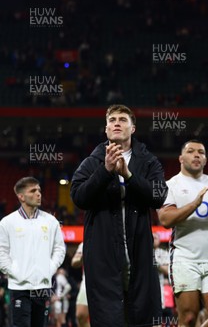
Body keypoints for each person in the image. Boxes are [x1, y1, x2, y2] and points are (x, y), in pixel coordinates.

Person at [71, 104, 167, 326]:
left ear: (133, 128)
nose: (117, 123)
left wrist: (129, 175)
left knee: (141, 316)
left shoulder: (149, 161)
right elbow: (78, 197)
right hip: (102, 253)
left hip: (139, 254)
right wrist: (105, 171)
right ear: (106, 130)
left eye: (123, 119)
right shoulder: (92, 161)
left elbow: (159, 197)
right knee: (108, 319)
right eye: (112, 119)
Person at [158, 140, 208, 327]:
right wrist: (195, 203)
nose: (196, 155)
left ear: (205, 159)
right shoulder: (170, 185)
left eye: (201, 152)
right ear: (180, 158)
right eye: (191, 151)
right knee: (188, 319)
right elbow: (165, 220)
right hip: (184, 259)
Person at [0, 177, 66, 327]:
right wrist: (15, 272)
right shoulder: (7, 222)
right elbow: (1, 252)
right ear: (21, 196)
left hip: (42, 289)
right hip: (19, 288)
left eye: (39, 190)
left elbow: (59, 249)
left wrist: (49, 268)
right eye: (33, 191)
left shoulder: (51, 221)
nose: (39, 194)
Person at [71, 242, 89, 327]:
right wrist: (81, 258)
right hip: (87, 283)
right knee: (80, 315)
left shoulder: (111, 240)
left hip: (107, 283)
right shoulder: (84, 244)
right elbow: (74, 262)